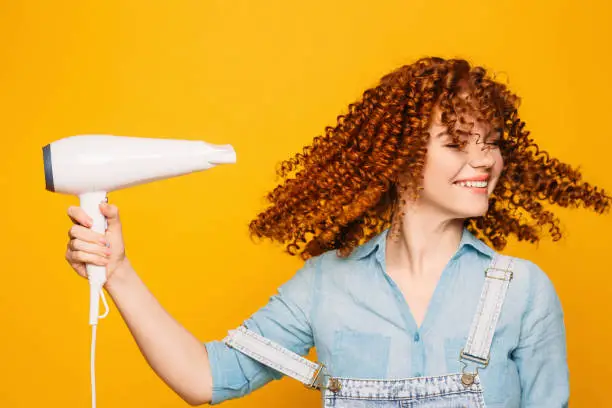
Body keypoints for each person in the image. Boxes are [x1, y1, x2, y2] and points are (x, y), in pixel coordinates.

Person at [64, 57, 610, 407]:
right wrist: (118, 272)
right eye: (457, 143)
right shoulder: (325, 284)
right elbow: (205, 377)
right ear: (398, 161)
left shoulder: (521, 290)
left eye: (490, 141)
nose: (483, 160)